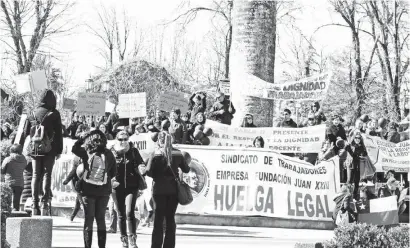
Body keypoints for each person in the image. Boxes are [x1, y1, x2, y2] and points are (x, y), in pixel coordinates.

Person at [144, 131, 190, 248]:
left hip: (158, 190)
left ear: (159, 140)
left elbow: (148, 172)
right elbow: (186, 169)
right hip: (173, 191)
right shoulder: (178, 153)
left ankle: (156, 245)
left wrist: (156, 175)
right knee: (170, 219)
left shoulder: (155, 154)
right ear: (171, 140)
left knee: (158, 219)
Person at [71, 129, 117, 248]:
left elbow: (74, 148)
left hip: (87, 190)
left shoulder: (86, 151)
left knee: (89, 220)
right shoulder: (109, 154)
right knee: (101, 219)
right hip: (104, 191)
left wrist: (82, 138)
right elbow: (114, 173)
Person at [21, 89, 63, 216]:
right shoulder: (54, 113)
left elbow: (25, 132)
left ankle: (34, 204)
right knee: (47, 174)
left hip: (34, 149)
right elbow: (59, 134)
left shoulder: (32, 113)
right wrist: (59, 150)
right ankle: (44, 203)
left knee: (35, 175)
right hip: (49, 149)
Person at [110, 131, 146, 248]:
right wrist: (111, 181)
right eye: (120, 139)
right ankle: (124, 239)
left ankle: (133, 239)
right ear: (116, 140)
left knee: (129, 212)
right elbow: (106, 168)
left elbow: (141, 163)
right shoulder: (112, 151)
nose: (123, 141)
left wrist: (142, 168)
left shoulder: (133, 151)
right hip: (117, 187)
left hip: (132, 186)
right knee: (121, 215)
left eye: (125, 139)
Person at [1, 144, 27, 211]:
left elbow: (2, 170)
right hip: (20, 183)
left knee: (7, 203)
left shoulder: (8, 159)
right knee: (16, 203)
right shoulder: (24, 160)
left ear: (11, 150)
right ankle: (16, 215)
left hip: (9, 183)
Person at [345, 134, 368, 199]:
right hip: (350, 164)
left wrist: (363, 155)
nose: (357, 139)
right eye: (356, 138)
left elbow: (365, 154)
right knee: (349, 180)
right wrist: (347, 145)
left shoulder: (361, 146)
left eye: (359, 138)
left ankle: (355, 196)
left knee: (356, 181)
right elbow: (348, 151)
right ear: (353, 138)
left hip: (358, 165)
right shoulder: (350, 145)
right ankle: (347, 196)